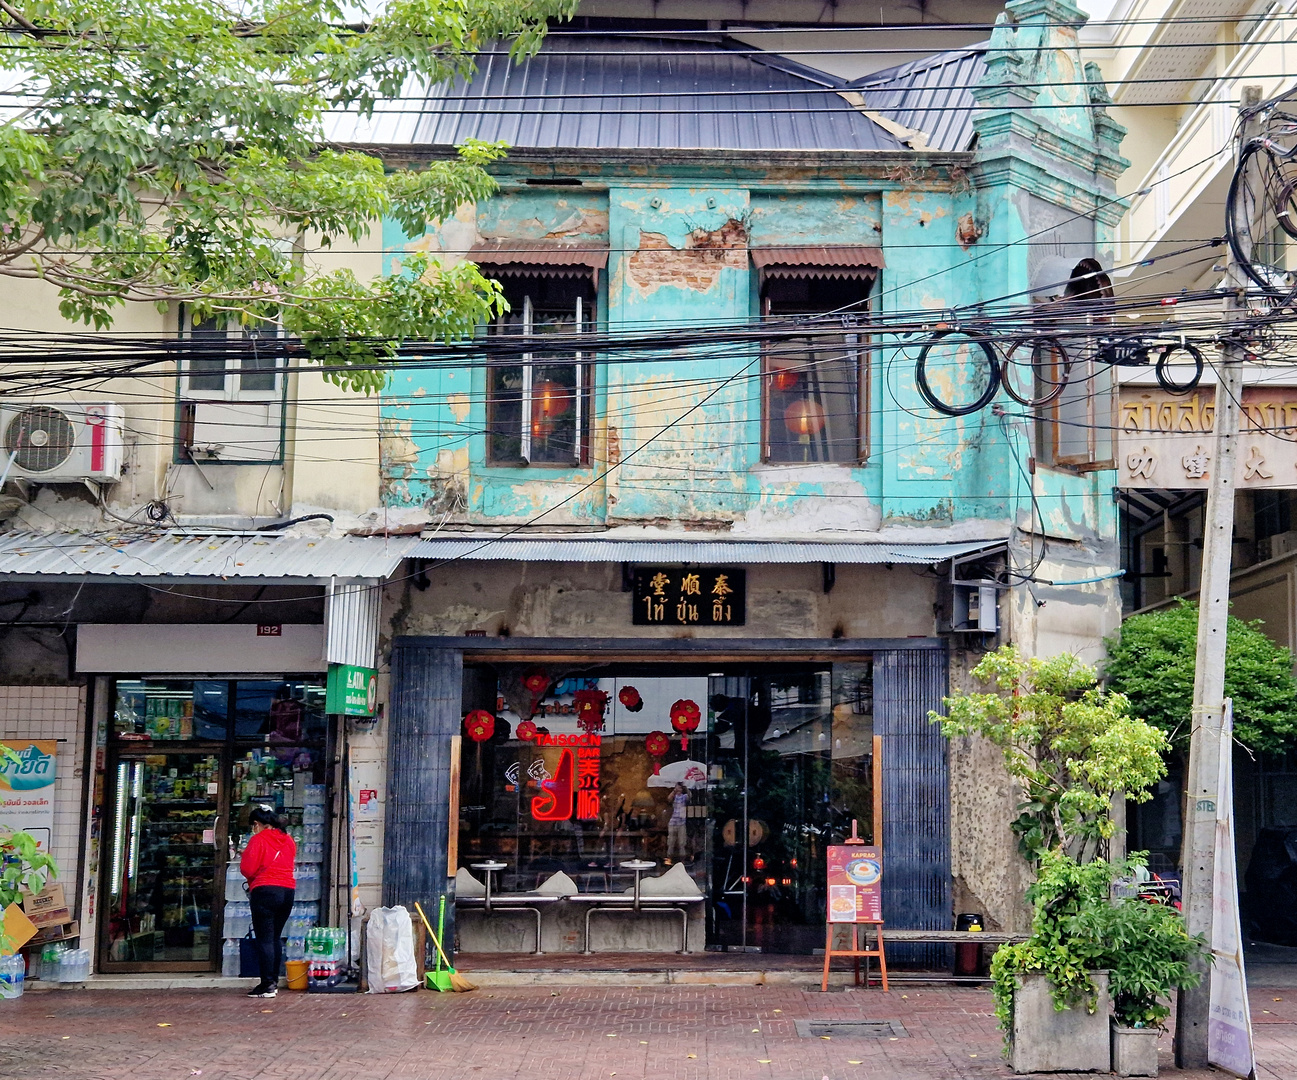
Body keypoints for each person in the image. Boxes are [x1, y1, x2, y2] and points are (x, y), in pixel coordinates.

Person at [239, 805, 296, 998]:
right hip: (287, 891)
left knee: (264, 938)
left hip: (265, 890)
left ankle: (267, 984)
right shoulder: (288, 840)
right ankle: (274, 981)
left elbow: (247, 869)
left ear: (257, 824)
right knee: (275, 938)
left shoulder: (258, 840)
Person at [667, 783, 689, 861]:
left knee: (682, 841)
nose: (678, 789)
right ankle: (669, 857)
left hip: (681, 822)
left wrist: (686, 788)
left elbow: (689, 796)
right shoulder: (674, 797)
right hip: (673, 821)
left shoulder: (684, 797)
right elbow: (669, 799)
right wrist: (674, 791)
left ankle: (682, 858)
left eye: (679, 788)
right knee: (671, 841)